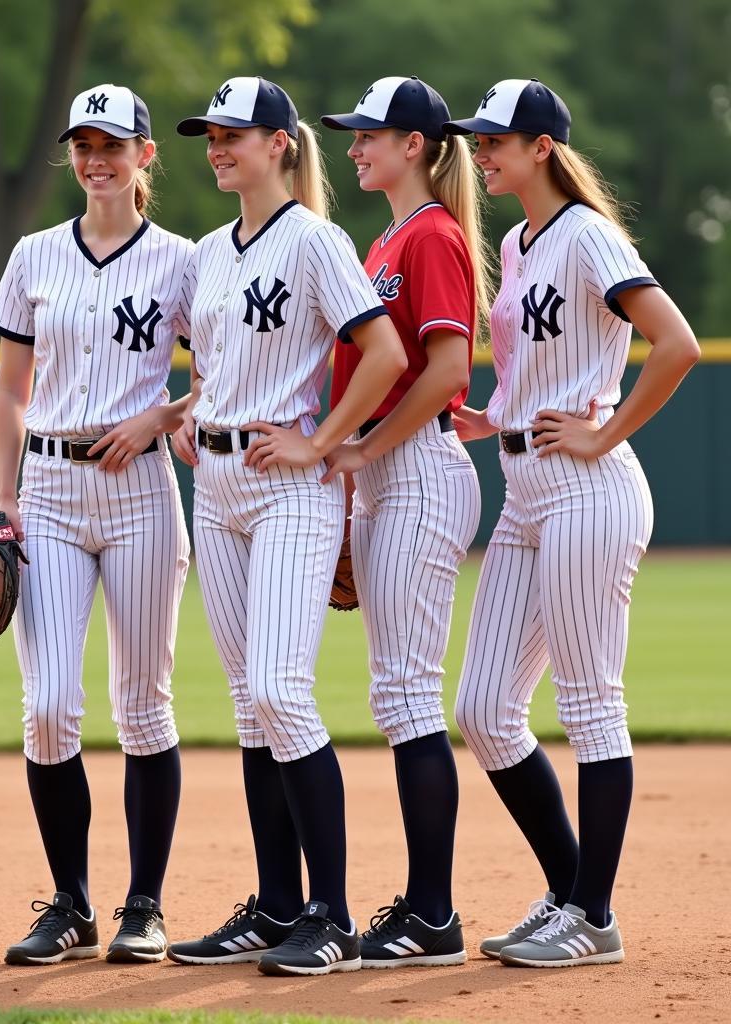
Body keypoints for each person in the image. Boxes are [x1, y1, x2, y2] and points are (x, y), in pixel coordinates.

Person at [443, 78, 700, 967]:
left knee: (591, 704)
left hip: (590, 490)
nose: (482, 150)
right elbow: (535, 363)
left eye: (497, 139)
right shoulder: (515, 240)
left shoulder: (589, 234)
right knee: (482, 707)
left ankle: (592, 917)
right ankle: (570, 892)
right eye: (479, 138)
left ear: (542, 147)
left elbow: (677, 344)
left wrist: (603, 431)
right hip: (525, 486)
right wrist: (497, 418)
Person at [164, 76, 407, 977]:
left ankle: (332, 916)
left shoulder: (316, 240)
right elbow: (211, 366)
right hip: (217, 482)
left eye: (234, 132)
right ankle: (274, 906)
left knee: (279, 689)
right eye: (210, 134)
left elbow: (382, 354)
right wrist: (191, 413)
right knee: (248, 704)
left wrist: (325, 444)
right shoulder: (208, 253)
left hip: (287, 488)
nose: (218, 146)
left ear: (280, 143)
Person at [0, 84, 191, 967]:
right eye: (82, 144)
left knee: (142, 705)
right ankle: (70, 903)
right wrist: (4, 499)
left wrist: (164, 416)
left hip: (143, 488)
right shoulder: (35, 254)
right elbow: (6, 387)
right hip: (54, 493)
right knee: (48, 708)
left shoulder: (185, 260)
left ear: (147, 155)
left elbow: (228, 373)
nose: (96, 158)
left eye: (112, 143)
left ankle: (143, 904)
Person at [317, 75, 491, 968]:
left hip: (417, 472)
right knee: (397, 696)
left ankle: (432, 915)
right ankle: (424, 909)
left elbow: (446, 368)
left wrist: (363, 449)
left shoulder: (430, 236)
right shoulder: (385, 238)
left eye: (370, 134)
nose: (354, 146)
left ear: (415, 144)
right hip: (395, 475)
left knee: (407, 695)